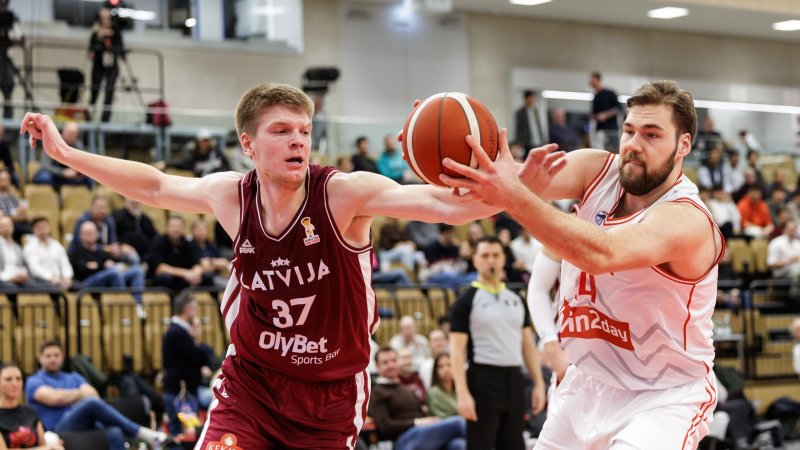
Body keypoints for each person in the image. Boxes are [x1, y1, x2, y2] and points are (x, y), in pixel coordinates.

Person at [19, 82, 499, 449]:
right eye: (281, 131)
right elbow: (156, 186)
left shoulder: (342, 194)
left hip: (330, 394)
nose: (298, 141)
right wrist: (65, 152)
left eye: (305, 132)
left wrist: (512, 182)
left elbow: (449, 208)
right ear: (248, 145)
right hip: (252, 384)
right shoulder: (232, 195)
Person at [439, 80, 723, 449]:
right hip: (588, 382)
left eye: (652, 135)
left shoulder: (687, 219)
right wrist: (450, 157)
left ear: (683, 144)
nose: (634, 144)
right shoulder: (597, 170)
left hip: (664, 394)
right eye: (629, 131)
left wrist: (514, 195)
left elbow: (602, 254)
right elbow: (508, 184)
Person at [449, 236, 545, 450]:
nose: (490, 260)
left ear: (503, 258)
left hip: (514, 379)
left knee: (514, 445)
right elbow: (456, 351)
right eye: (485, 256)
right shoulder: (465, 301)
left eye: (495, 255)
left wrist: (538, 383)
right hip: (482, 379)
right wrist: (462, 393)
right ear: (475, 260)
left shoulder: (517, 299)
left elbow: (528, 346)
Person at [25, 340, 167, 450]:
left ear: (62, 357)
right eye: (48, 356)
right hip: (57, 429)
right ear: (40, 358)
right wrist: (80, 394)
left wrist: (67, 396)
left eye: (56, 355)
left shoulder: (73, 376)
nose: (53, 359)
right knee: (90, 404)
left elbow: (93, 394)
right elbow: (54, 398)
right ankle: (141, 433)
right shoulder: (34, 381)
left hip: (85, 423)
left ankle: (143, 435)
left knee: (115, 431)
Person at [368, 347, 466, 450]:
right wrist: (417, 422)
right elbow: (386, 426)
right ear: (377, 366)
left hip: (423, 433)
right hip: (403, 440)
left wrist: (429, 420)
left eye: (393, 361)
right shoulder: (377, 393)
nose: (391, 365)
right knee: (458, 423)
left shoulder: (406, 390)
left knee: (459, 444)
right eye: (385, 362)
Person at [161, 293, 213, 436]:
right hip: (179, 394)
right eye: (195, 308)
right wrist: (199, 343)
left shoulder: (179, 331)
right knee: (182, 435)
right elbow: (202, 356)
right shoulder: (177, 332)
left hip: (186, 392)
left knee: (188, 434)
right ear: (187, 309)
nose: (197, 312)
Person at [0, 362, 63, 450]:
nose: (14, 383)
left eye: (18, 379)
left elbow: (43, 445)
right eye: (8, 379)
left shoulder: (31, 412)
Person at [88, 7, 125, 122]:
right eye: (104, 18)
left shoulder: (116, 33)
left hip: (111, 65)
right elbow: (91, 51)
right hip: (99, 65)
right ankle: (89, 116)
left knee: (109, 90)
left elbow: (120, 48)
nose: (106, 21)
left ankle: (105, 118)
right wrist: (100, 38)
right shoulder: (96, 33)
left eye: (108, 18)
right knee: (95, 89)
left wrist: (118, 50)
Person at [23, 217, 73, 290]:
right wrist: (51, 277)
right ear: (33, 230)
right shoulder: (30, 247)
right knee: (52, 288)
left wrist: (67, 277)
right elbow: (35, 269)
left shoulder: (57, 245)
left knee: (83, 288)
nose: (42, 230)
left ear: (49, 228)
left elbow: (65, 263)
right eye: (39, 228)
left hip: (60, 278)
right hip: (40, 280)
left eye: (44, 226)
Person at [589, 71, 621, 152]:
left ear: (598, 80)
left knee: (614, 152)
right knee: (602, 152)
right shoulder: (595, 97)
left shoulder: (610, 93)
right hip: (600, 131)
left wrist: (605, 115)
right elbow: (593, 114)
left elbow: (618, 108)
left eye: (592, 80)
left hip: (611, 130)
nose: (590, 82)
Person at [426, 353, 458, 418]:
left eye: (449, 365)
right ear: (435, 371)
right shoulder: (434, 392)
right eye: (440, 366)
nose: (446, 370)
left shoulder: (458, 391)